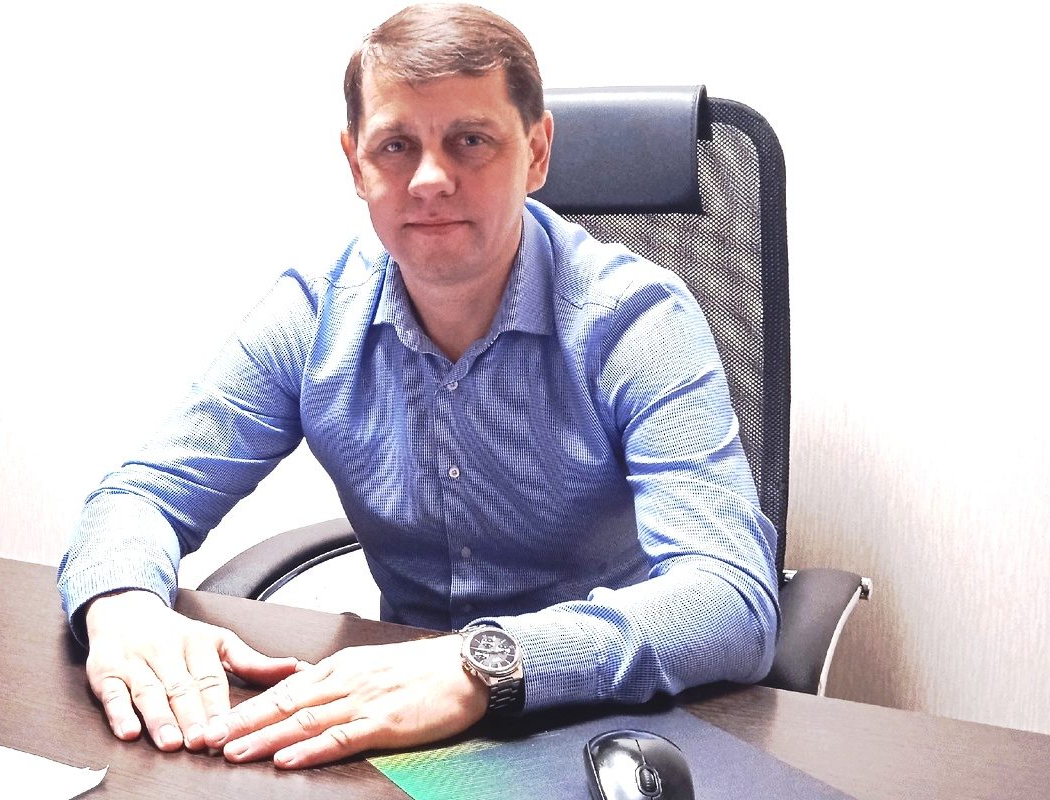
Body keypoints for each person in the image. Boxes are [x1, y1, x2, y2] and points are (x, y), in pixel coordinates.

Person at [57, 2, 779, 771]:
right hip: (397, 730)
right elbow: (140, 494)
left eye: (471, 140)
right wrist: (121, 603)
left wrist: (485, 664)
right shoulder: (313, 315)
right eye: (396, 145)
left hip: (611, 728)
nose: (430, 179)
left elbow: (730, 598)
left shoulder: (636, 320)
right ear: (356, 164)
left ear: (536, 152)